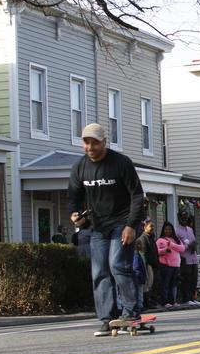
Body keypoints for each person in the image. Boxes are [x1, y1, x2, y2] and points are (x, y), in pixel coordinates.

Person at [67, 123, 145, 336]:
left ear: (104, 142)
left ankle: (131, 312)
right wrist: (75, 216)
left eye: (95, 142)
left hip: (123, 222)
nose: (90, 147)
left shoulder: (121, 163)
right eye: (86, 142)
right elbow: (74, 199)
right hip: (98, 226)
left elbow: (137, 195)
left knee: (118, 264)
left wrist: (131, 226)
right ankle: (107, 318)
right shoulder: (79, 168)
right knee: (99, 271)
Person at [156, 221, 186, 308]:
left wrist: (171, 244)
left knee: (174, 285)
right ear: (163, 230)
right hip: (165, 265)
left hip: (176, 265)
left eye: (170, 229)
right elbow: (156, 251)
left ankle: (173, 301)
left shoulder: (176, 240)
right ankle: (165, 302)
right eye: (166, 229)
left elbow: (182, 248)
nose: (168, 231)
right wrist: (165, 250)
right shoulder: (160, 240)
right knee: (166, 284)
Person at [176, 213, 200, 307]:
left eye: (186, 218)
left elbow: (194, 240)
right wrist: (188, 246)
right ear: (179, 219)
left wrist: (194, 244)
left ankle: (193, 298)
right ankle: (186, 298)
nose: (184, 220)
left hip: (193, 257)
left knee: (194, 279)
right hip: (185, 258)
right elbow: (178, 246)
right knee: (187, 279)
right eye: (182, 218)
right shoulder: (177, 231)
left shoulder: (190, 229)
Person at [135, 217, 160, 309]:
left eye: (153, 226)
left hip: (153, 264)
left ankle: (150, 301)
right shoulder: (143, 238)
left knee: (151, 284)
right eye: (151, 226)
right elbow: (144, 253)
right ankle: (146, 302)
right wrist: (145, 265)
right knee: (147, 284)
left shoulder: (151, 237)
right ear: (145, 227)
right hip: (147, 264)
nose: (152, 228)